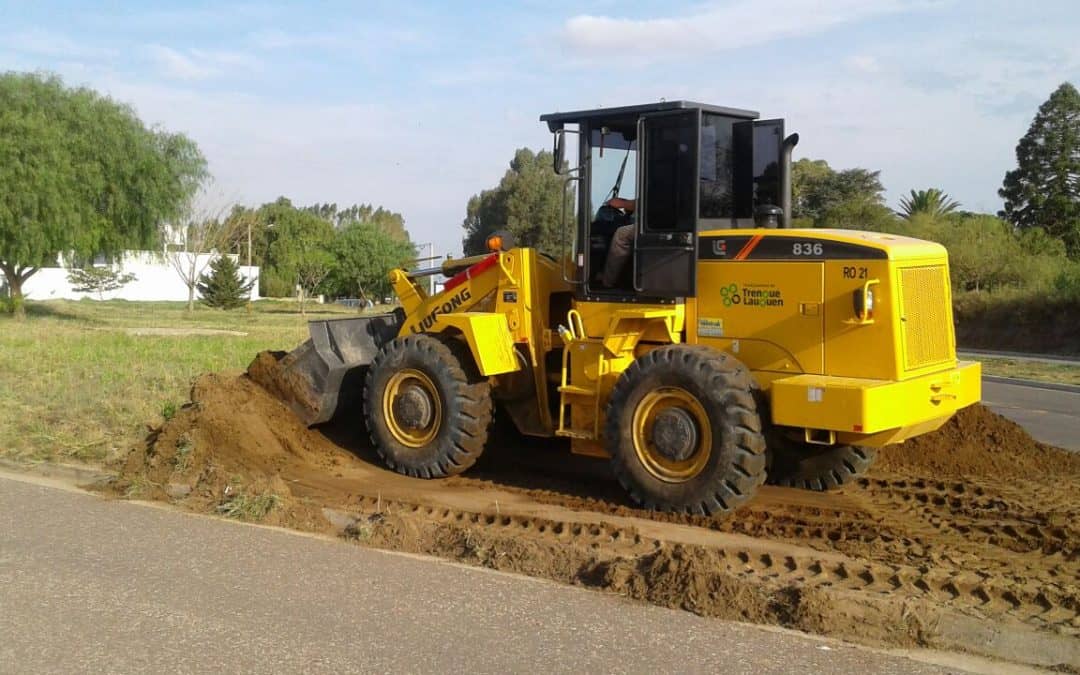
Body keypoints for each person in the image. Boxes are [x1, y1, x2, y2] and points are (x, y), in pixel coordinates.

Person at [600, 197, 636, 287]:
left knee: (621, 234)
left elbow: (650, 202)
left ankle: (608, 282)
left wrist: (624, 204)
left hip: (657, 227)